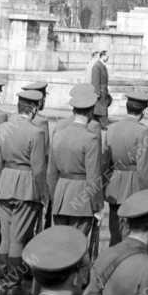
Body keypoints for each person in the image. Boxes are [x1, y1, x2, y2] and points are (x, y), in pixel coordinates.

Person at [0, 88, 49, 295]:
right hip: (26, 186)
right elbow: (39, 168)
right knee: (17, 237)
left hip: (6, 182)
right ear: (34, 109)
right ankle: (13, 285)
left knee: (6, 236)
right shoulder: (37, 132)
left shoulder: (3, 128)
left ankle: (4, 281)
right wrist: (43, 193)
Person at [48, 83, 104, 254]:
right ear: (90, 110)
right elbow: (93, 177)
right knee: (76, 249)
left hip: (60, 196)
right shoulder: (91, 139)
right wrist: (97, 207)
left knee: (59, 247)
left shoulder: (58, 134)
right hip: (82, 199)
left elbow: (51, 173)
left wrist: (54, 197)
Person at [103, 90, 148, 247]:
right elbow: (143, 167)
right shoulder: (143, 131)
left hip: (114, 184)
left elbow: (105, 160)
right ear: (143, 111)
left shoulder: (112, 128)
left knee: (115, 231)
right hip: (133, 186)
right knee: (131, 233)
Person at [90, 50, 111, 121]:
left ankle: (101, 122)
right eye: (107, 56)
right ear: (103, 56)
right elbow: (95, 81)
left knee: (101, 109)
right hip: (100, 92)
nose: (108, 58)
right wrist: (97, 94)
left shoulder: (102, 65)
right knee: (100, 110)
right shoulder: (97, 66)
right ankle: (102, 124)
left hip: (103, 91)